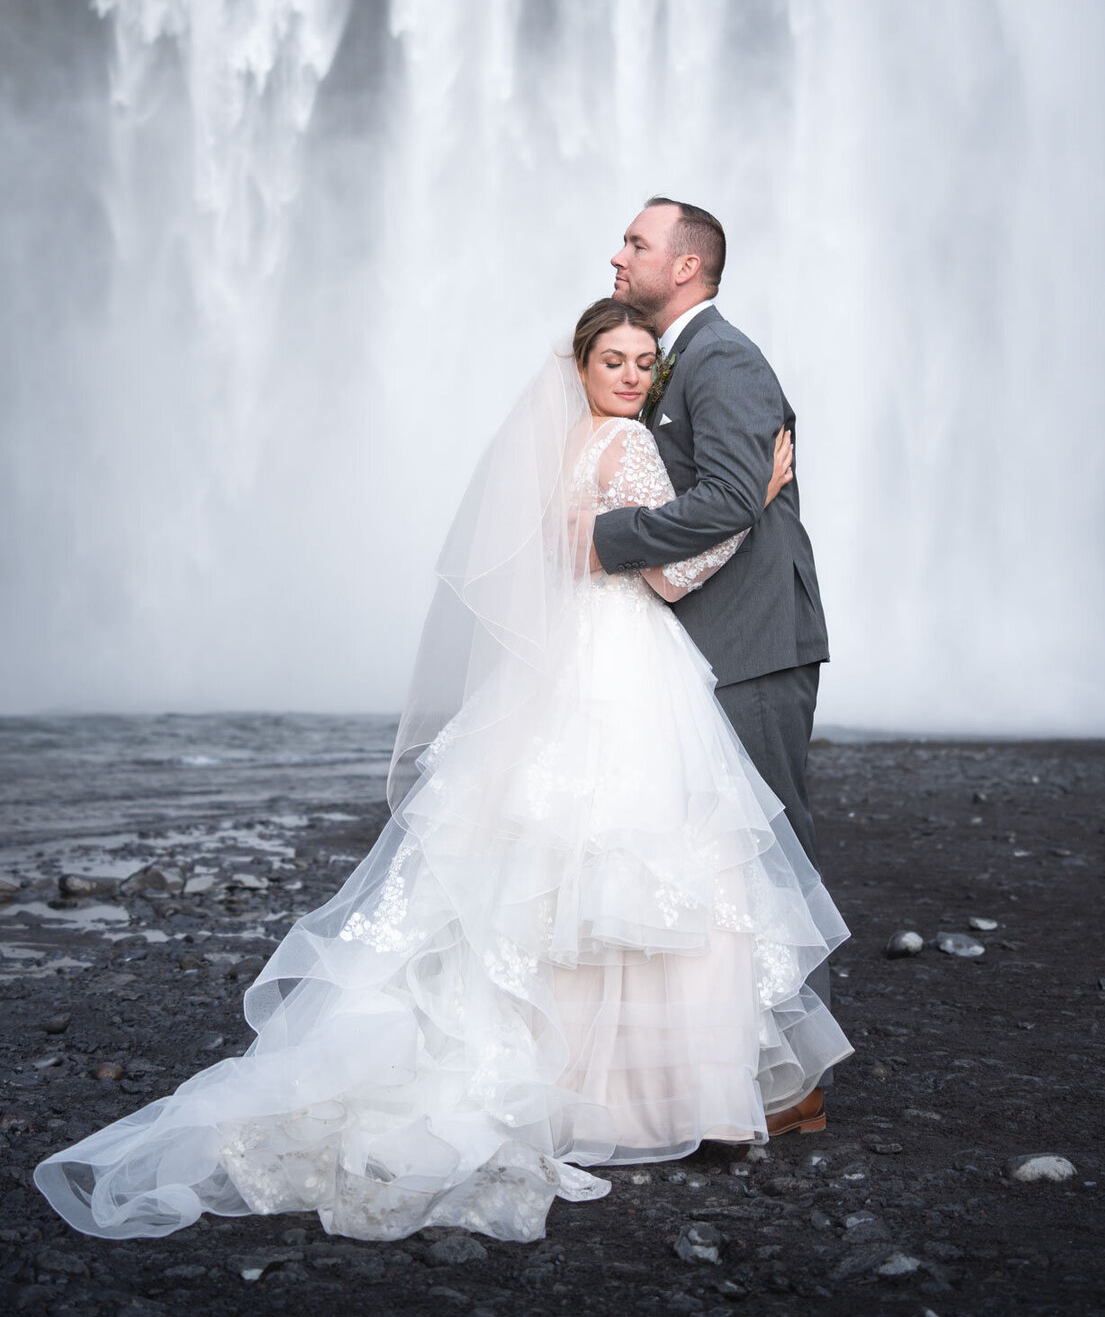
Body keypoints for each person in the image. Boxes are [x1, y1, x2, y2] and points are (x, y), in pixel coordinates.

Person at [35, 299, 850, 1246]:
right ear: (581, 366)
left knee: (545, 868)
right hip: (627, 666)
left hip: (563, 671)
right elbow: (664, 575)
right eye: (615, 362)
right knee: (650, 862)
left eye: (641, 365)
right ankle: (655, 1095)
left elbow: (555, 555)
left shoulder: (552, 449)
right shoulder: (626, 449)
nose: (631, 377)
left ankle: (583, 1084)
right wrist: (752, 502)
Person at [592, 198, 834, 1137]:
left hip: (754, 641)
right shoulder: (670, 361)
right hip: (704, 645)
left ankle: (795, 1084)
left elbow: (734, 495)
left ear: (686, 268)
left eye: (636, 244)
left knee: (772, 857)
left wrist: (602, 540)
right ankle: (732, 1070)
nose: (618, 256)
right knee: (716, 864)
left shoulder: (723, 358)